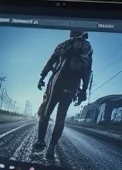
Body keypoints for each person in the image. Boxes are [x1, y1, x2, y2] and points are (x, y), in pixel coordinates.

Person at [32, 29, 94, 161]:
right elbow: (87, 70)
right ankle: (51, 148)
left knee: (45, 113)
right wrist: (83, 90)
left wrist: (42, 76)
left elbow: (51, 60)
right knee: (60, 118)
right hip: (72, 86)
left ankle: (41, 142)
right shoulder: (88, 47)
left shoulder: (63, 44)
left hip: (56, 83)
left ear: (72, 33)